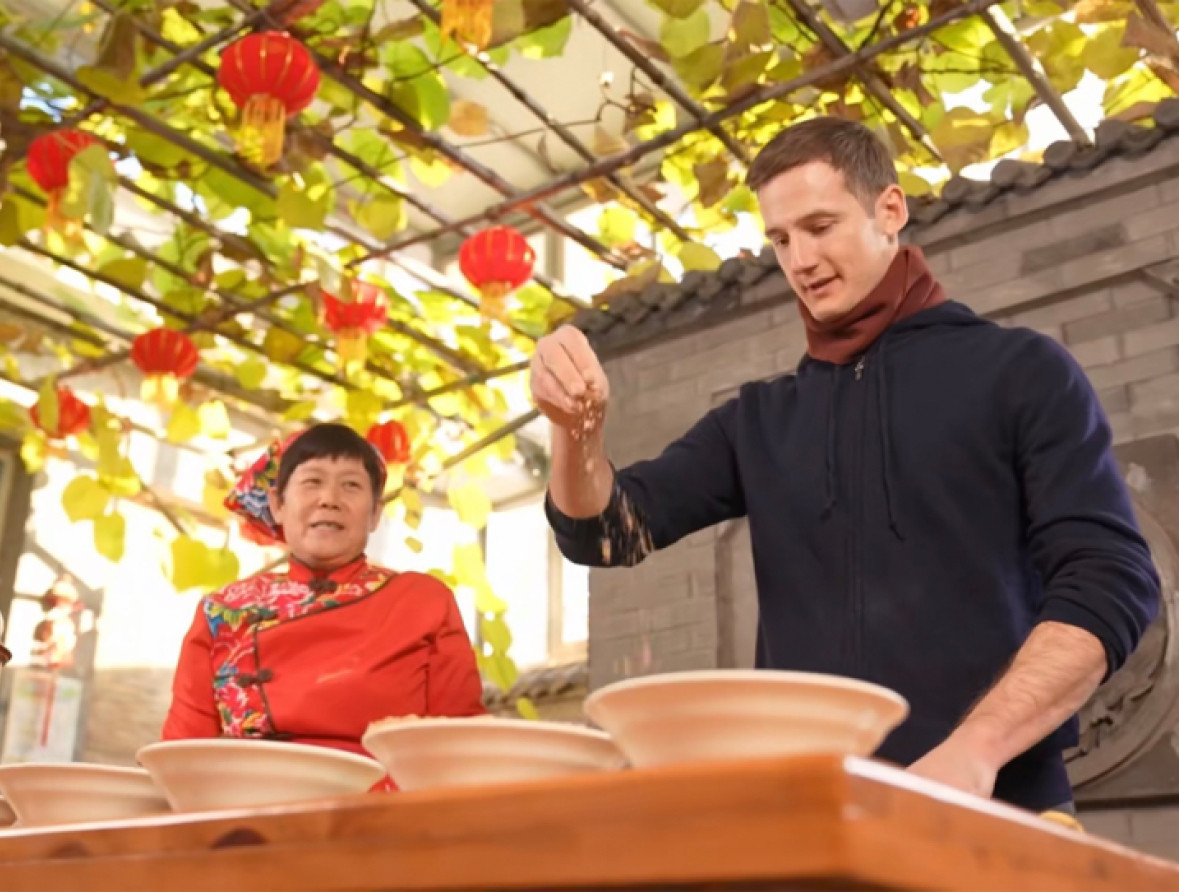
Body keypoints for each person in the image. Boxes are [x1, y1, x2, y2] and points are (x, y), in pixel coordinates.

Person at [532, 116, 1161, 814]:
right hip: (810, 819)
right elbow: (608, 532)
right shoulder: (759, 420)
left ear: (889, 210)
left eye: (820, 225)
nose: (799, 259)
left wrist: (976, 749)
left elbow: (1112, 581)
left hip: (996, 806)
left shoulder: (1021, 372)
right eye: (780, 238)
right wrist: (574, 432)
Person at [162, 422, 486, 761]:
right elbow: (179, 757)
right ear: (278, 504)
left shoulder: (422, 601)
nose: (330, 499)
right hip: (248, 804)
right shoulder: (220, 611)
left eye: (351, 485)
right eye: (312, 482)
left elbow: (460, 746)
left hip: (380, 805)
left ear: (375, 513)